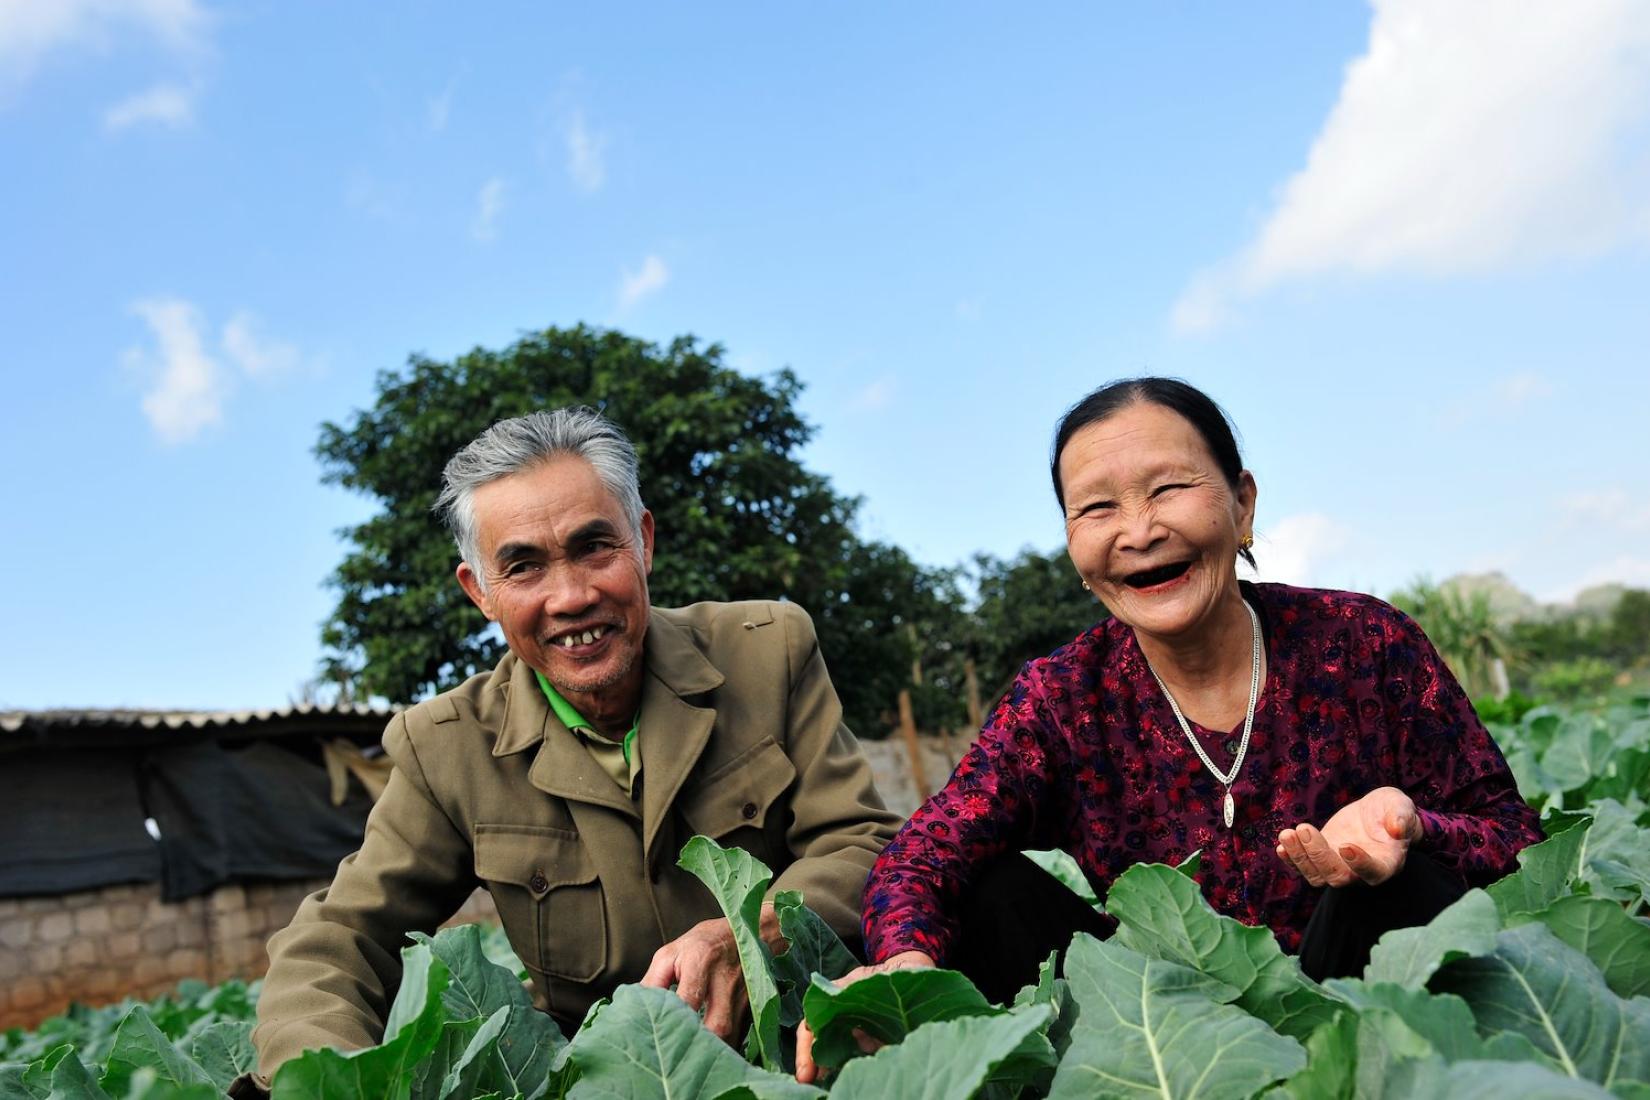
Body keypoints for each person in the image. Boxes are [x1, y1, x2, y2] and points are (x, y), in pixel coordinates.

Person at [796, 376, 1541, 1083]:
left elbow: (1516, 840)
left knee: (1409, 886)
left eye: (1169, 489)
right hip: (1158, 1036)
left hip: (1359, 1017)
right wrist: (903, 960)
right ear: (1073, 547)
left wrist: (1415, 832)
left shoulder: (1365, 641)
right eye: (1097, 508)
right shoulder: (1060, 698)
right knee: (986, 890)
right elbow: (923, 851)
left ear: (1242, 505)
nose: (1140, 530)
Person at [243, 408, 901, 1092]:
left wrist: (748, 936)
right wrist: (323, 1083)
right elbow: (339, 940)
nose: (572, 596)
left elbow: (861, 843)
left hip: (804, 1061)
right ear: (481, 593)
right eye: (523, 566)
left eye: (595, 547)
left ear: (643, 542)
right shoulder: (448, 748)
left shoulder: (768, 651)